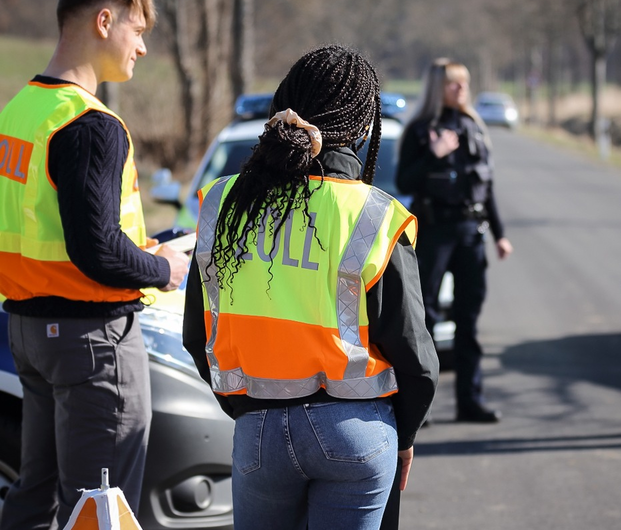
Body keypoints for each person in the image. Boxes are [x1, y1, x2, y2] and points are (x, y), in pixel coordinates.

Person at [182, 45, 438, 530]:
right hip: (356, 434)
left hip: (257, 432)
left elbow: (199, 338)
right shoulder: (374, 215)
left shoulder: (220, 204)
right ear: (363, 130)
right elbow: (414, 354)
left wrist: (248, 408)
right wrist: (403, 435)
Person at [0, 0, 190, 530]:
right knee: (100, 507)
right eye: (137, 30)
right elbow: (97, 253)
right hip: (92, 342)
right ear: (104, 22)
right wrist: (164, 267)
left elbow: (62, 232)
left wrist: (142, 248)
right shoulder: (90, 124)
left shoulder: (19, 112)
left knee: (34, 495)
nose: (143, 46)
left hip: (29, 331)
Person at [395, 58, 512, 423]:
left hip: (470, 234)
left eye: (463, 83)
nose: (460, 89)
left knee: (469, 321)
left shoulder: (473, 126)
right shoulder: (419, 129)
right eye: (452, 83)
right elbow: (404, 181)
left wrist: (500, 234)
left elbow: (486, 185)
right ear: (436, 87)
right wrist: (434, 155)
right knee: (425, 318)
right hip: (435, 230)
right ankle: (421, 406)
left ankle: (470, 401)